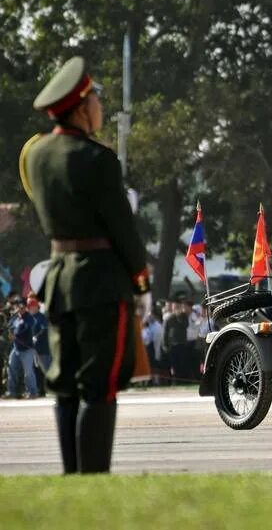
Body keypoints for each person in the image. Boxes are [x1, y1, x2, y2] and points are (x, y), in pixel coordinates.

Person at [20, 56, 151, 473]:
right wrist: (140, 278)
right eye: (95, 98)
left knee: (65, 384)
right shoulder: (98, 160)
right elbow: (123, 230)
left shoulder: (38, 156)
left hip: (59, 278)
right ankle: (93, 478)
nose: (98, 105)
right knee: (99, 384)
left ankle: (71, 474)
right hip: (100, 279)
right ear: (80, 106)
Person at [3, 296, 38, 398]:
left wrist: (15, 335)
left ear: (24, 306)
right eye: (16, 305)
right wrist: (9, 333)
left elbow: (27, 328)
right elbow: (9, 327)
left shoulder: (29, 318)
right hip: (16, 348)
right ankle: (11, 392)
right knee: (11, 369)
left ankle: (32, 392)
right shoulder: (15, 317)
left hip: (27, 349)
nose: (18, 307)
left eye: (20, 305)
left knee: (28, 372)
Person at [28, 294, 50, 396]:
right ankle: (39, 391)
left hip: (43, 348)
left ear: (37, 306)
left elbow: (44, 328)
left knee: (46, 369)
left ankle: (49, 389)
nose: (32, 308)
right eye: (30, 307)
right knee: (35, 370)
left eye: (33, 306)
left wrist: (36, 336)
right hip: (31, 349)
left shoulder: (42, 317)